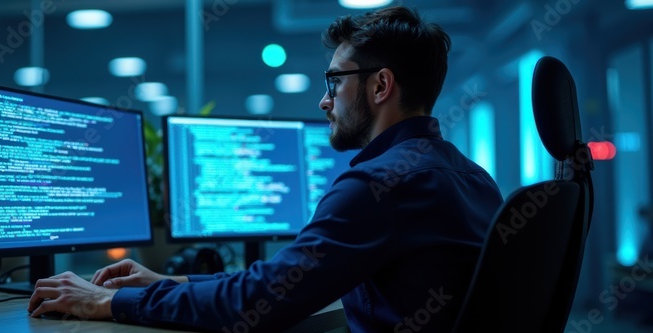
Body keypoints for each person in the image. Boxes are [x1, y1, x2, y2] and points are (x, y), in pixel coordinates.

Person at [28, 6, 503, 332]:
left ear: (381, 86)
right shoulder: (475, 180)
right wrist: (171, 283)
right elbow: (276, 283)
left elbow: (255, 306)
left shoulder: (379, 185)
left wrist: (109, 301)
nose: (324, 100)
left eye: (334, 82)